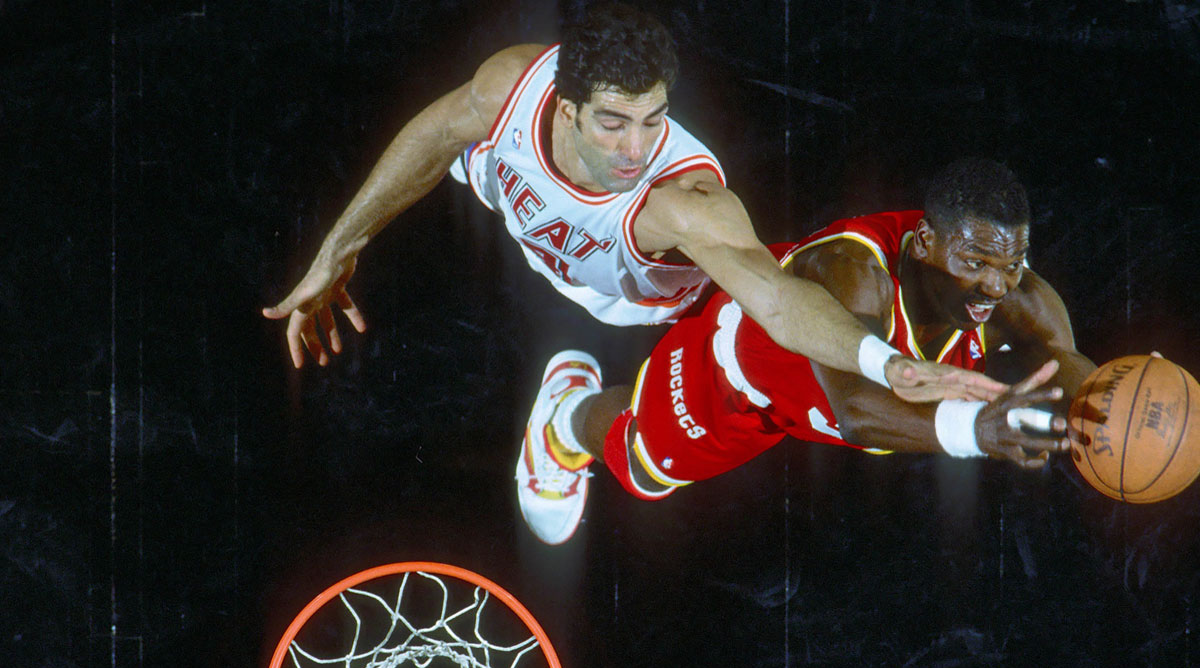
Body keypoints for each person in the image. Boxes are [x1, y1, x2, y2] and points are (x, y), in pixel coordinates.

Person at [260, 3, 1000, 403]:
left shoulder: (684, 200)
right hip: (518, 213)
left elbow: (774, 299)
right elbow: (430, 135)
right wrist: (337, 248)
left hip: (628, 304)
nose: (635, 148)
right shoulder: (511, 88)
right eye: (613, 122)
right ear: (567, 107)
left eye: (654, 119)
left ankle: (568, 420)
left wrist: (890, 366)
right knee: (458, 146)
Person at [516, 158, 1099, 545]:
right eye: (975, 264)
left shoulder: (1015, 294)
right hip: (746, 372)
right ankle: (563, 418)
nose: (996, 286)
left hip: (818, 399)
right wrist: (977, 431)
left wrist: (1112, 409)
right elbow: (856, 410)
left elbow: (1067, 364)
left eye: (1012, 263)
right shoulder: (853, 272)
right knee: (644, 461)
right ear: (925, 243)